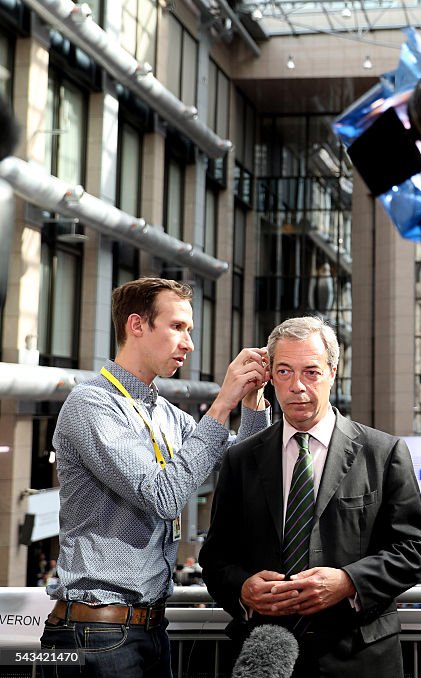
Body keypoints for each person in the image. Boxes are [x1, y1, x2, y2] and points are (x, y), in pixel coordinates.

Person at [40, 277, 271, 678]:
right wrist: (222, 403)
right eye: (178, 327)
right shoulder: (91, 403)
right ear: (136, 326)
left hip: (146, 630)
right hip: (95, 633)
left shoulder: (165, 413)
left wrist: (251, 404)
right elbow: (162, 495)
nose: (189, 343)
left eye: (190, 330)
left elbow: (241, 464)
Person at [199, 316, 421, 678]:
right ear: (270, 377)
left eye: (311, 372)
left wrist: (349, 582)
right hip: (267, 658)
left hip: (360, 656)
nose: (297, 387)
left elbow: (415, 549)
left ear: (333, 373)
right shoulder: (241, 458)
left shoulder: (382, 452)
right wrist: (243, 590)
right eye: (284, 372)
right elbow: (216, 558)